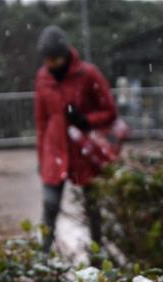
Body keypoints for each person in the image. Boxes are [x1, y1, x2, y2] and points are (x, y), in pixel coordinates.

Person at [34, 25, 117, 254]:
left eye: (54, 59)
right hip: (54, 149)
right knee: (49, 205)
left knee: (92, 206)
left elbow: (109, 111)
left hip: (83, 151)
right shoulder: (42, 77)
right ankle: (43, 255)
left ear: (65, 54)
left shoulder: (88, 74)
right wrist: (41, 156)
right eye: (46, 59)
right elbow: (41, 120)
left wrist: (86, 120)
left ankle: (97, 251)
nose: (50, 64)